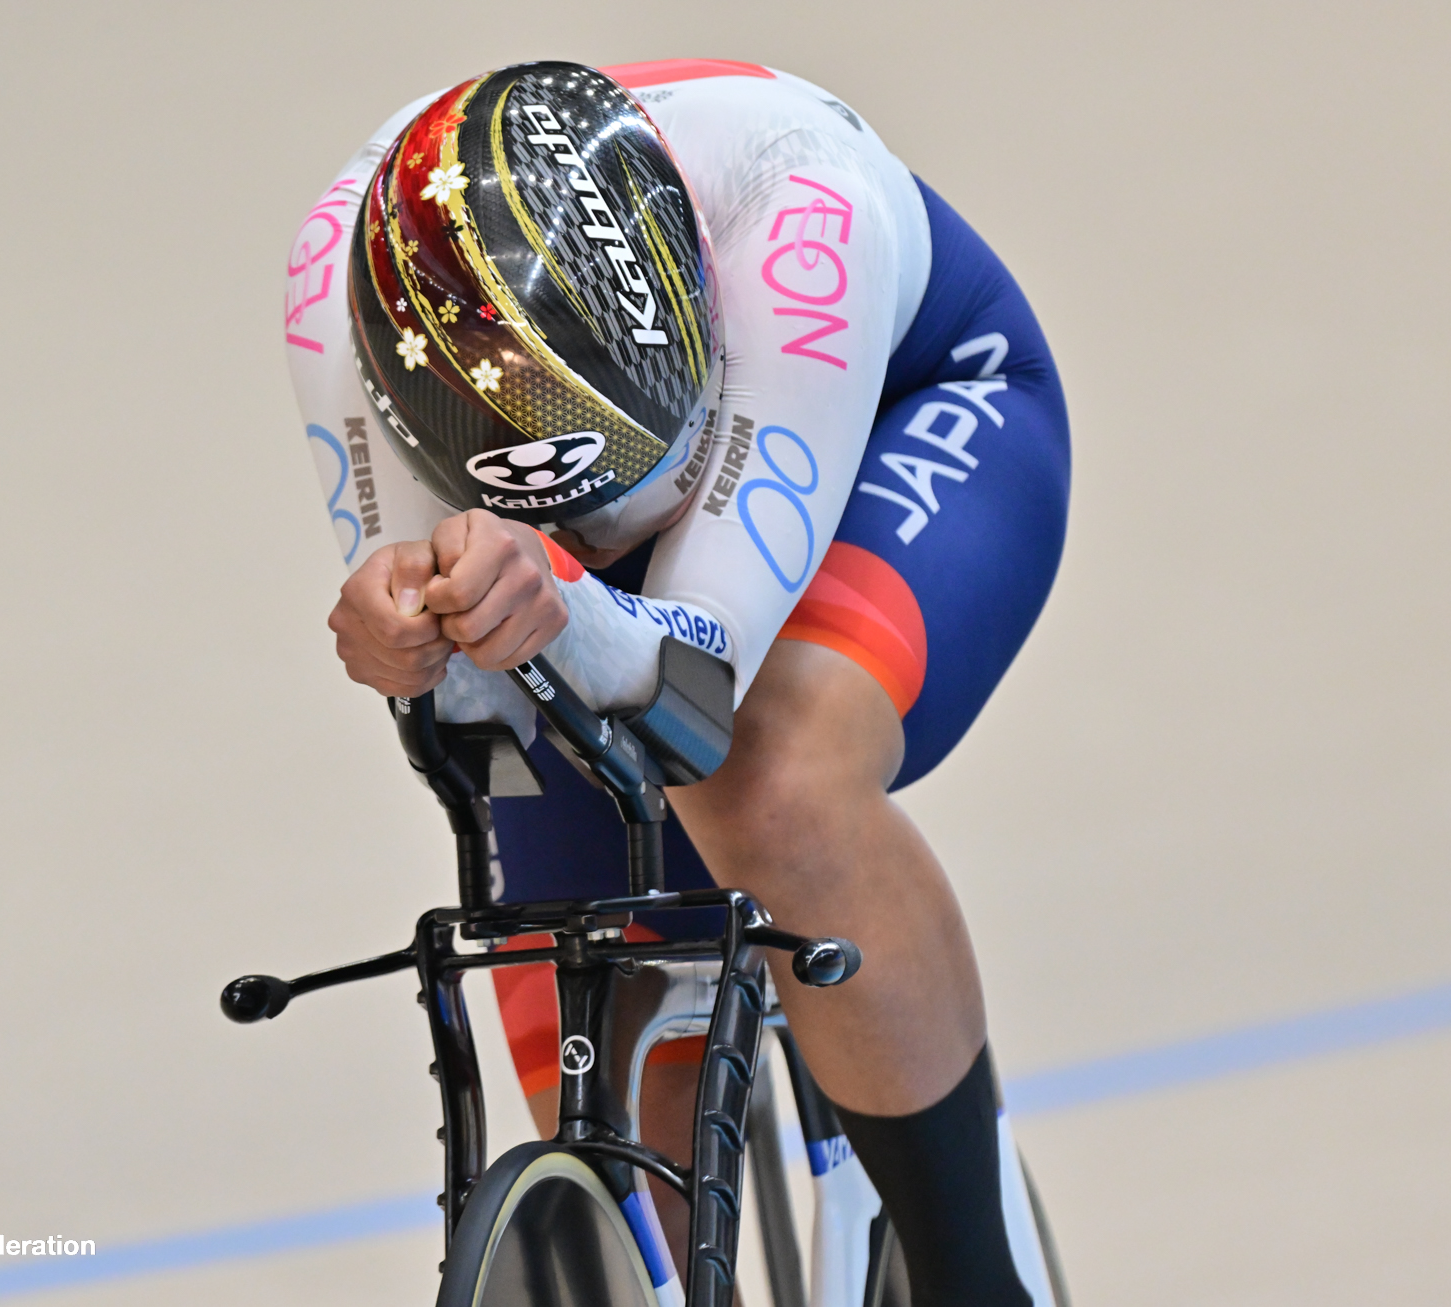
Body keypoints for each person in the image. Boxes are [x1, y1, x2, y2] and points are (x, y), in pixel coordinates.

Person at [284, 59, 1070, 1306]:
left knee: (770, 781)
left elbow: (696, 672)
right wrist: (403, 635)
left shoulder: (802, 215)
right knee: (563, 925)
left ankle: (979, 1272)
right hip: (635, 500)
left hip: (890, 416)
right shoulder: (341, 279)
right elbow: (461, 701)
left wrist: (566, 593)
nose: (598, 538)